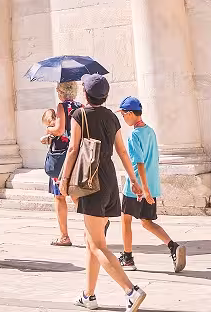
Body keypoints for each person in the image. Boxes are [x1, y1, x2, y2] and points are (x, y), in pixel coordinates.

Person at [58, 75, 148, 311]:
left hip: (91, 182)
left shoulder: (79, 115)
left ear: (85, 95)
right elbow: (122, 152)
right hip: (109, 181)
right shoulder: (112, 117)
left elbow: (73, 149)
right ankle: (89, 296)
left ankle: (131, 291)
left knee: (97, 244)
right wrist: (133, 180)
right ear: (106, 96)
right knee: (92, 241)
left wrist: (64, 179)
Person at [116, 97, 186, 274]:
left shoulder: (133, 136)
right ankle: (173, 246)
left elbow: (138, 163)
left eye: (124, 114)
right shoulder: (151, 131)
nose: (123, 118)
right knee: (147, 222)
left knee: (126, 219)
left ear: (131, 114)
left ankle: (127, 257)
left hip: (137, 187)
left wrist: (142, 188)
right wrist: (149, 188)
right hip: (151, 184)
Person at [45, 81, 81, 247]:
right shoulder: (80, 106)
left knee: (59, 196)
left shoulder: (62, 106)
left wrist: (49, 129)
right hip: (77, 154)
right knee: (75, 193)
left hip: (61, 156)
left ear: (61, 92)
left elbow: (59, 130)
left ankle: (64, 236)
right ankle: (98, 221)